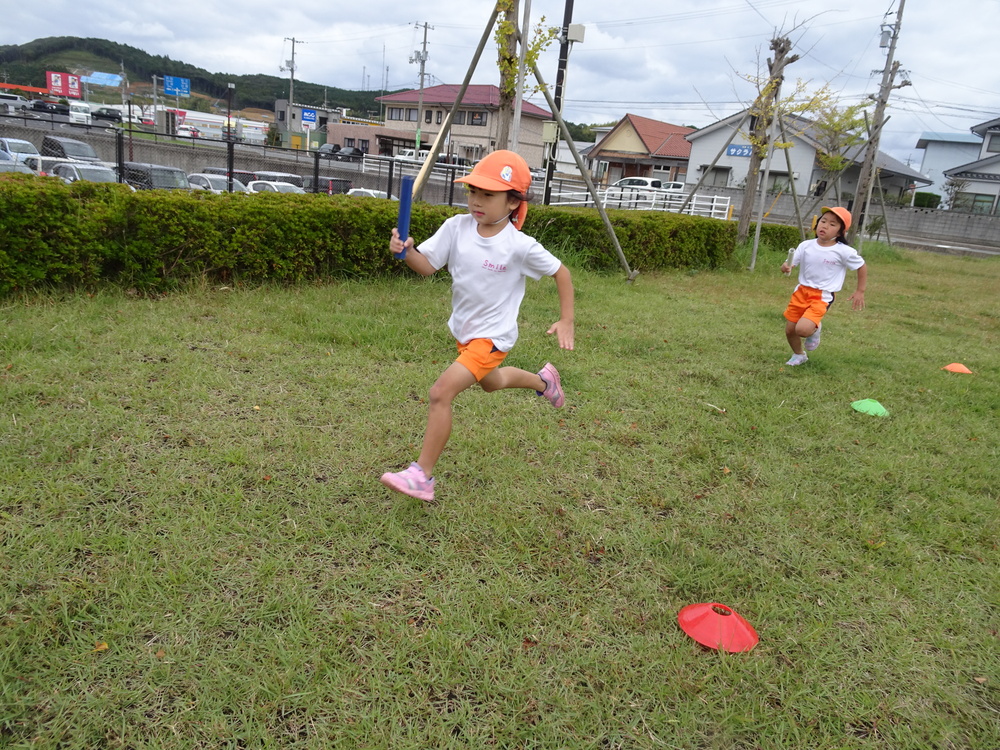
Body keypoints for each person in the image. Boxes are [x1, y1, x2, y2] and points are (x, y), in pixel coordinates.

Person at [380, 150, 575, 503]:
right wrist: (405, 250)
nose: (476, 201)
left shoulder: (519, 246)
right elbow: (427, 267)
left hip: (493, 336)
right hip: (465, 334)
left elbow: (561, 272)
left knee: (441, 392)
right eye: (473, 192)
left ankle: (421, 476)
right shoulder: (457, 227)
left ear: (514, 202)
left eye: (488, 194)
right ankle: (544, 381)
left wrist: (566, 320)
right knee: (492, 382)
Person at [779, 206, 867, 366]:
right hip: (800, 292)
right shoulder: (806, 245)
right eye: (823, 221)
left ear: (841, 232)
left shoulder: (844, 251)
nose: (825, 226)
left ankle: (815, 328)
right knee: (790, 330)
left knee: (802, 330)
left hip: (822, 296)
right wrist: (786, 266)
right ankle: (799, 355)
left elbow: (861, 266)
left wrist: (860, 291)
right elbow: (790, 263)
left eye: (832, 224)